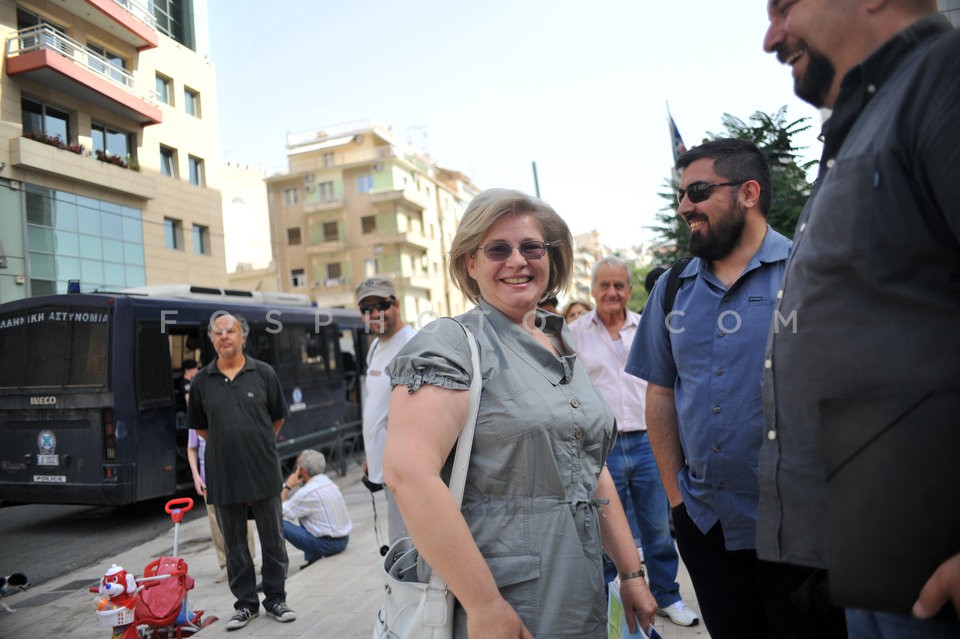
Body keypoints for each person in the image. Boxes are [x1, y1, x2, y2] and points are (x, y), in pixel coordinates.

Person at [761, 2, 960, 636]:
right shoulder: (868, 118)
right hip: (878, 533)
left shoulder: (945, 77)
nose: (771, 37)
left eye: (784, 5)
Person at [383, 188, 657, 638]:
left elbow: (589, 465)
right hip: (507, 603)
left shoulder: (559, 340)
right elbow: (408, 476)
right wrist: (485, 605)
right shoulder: (451, 343)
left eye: (531, 247)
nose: (517, 260)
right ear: (470, 263)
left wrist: (631, 574)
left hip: (582, 589)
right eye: (498, 249)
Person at [628, 139, 844, 638]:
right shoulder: (672, 288)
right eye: (681, 195)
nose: (685, 207)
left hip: (805, 531)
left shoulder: (812, 274)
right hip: (708, 528)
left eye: (699, 192)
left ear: (748, 193)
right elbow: (661, 393)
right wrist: (677, 501)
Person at [569, 256, 698, 628]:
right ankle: (615, 605)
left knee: (657, 528)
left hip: (648, 442)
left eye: (619, 285)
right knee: (608, 531)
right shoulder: (573, 333)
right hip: (602, 448)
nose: (612, 292)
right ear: (593, 289)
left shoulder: (647, 326)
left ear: (629, 290)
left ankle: (667, 596)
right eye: (604, 285)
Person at [187, 312, 295, 631]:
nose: (224, 336)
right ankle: (246, 604)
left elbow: (277, 418)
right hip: (223, 475)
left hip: (263, 471)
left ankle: (275, 599)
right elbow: (202, 429)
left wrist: (255, 443)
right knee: (235, 546)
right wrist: (229, 445)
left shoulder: (264, 373)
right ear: (211, 339)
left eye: (230, 330)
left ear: (243, 336)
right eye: (217, 332)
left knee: (273, 541)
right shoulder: (201, 381)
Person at [356, 277, 416, 545]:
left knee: (408, 544)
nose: (375, 314)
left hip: (406, 467)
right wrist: (372, 454)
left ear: (397, 305)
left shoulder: (414, 345)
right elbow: (378, 405)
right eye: (367, 309)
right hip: (385, 467)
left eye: (381, 305)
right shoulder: (375, 347)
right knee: (401, 543)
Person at [187, 427, 256, 584]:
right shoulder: (196, 419)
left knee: (243, 516)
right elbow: (192, 448)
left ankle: (250, 558)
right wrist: (196, 477)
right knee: (216, 522)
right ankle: (226, 564)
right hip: (209, 479)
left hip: (235, 475)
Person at [280, 449, 352, 568]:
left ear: (303, 471)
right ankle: (312, 558)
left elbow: (277, 511)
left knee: (276, 523)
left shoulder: (308, 492)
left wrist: (287, 486)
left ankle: (276, 567)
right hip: (344, 539)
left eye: (297, 467)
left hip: (329, 545)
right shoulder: (329, 482)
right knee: (304, 514)